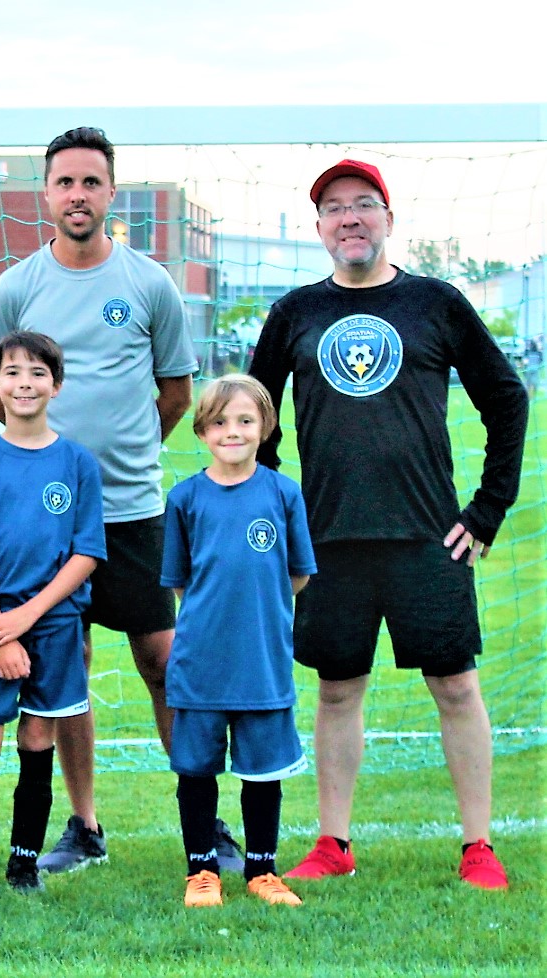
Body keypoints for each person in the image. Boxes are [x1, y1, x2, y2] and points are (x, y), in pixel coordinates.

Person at [249, 159, 528, 890]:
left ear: (388, 219)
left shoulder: (435, 302)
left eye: (364, 204)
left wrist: (487, 509)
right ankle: (332, 843)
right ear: (320, 228)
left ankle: (478, 847)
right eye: (335, 208)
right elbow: (254, 412)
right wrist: (276, 508)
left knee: (456, 687)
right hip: (328, 540)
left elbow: (507, 398)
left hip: (429, 537)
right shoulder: (295, 313)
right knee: (337, 690)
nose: (351, 217)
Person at [0, 126, 211, 875]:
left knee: (162, 659)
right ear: (46, 193)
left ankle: (203, 822)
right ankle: (84, 825)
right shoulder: (16, 288)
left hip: (132, 509)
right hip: (42, 522)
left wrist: (126, 453)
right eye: (65, 182)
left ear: (111, 192)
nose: (78, 195)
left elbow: (176, 393)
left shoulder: (149, 284)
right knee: (64, 665)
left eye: (91, 182)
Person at [0, 331, 107, 893]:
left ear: (56, 386)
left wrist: (26, 619)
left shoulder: (78, 464)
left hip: (54, 625)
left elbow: (86, 554)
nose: (24, 383)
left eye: (38, 373)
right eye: (12, 372)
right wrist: (2, 631)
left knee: (38, 738)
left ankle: (23, 864)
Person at [161, 375, 316, 908]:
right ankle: (201, 871)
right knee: (196, 770)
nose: (233, 431)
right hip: (201, 663)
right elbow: (181, 582)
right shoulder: (184, 498)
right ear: (202, 431)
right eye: (220, 422)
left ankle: (262, 871)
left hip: (262, 661)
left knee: (264, 771)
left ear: (265, 427)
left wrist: (257, 609)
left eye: (245, 421)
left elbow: (297, 574)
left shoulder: (283, 493)